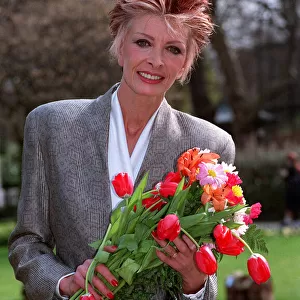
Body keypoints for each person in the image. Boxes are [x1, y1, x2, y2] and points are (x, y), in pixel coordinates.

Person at [8, 1, 235, 299]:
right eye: (143, 43)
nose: (156, 60)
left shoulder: (212, 146)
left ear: (185, 65)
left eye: (173, 49)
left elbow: (208, 274)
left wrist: (195, 282)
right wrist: (64, 282)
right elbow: (27, 243)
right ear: (119, 47)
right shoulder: (50, 125)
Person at [281, 151, 300, 225]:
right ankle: (288, 220)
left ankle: (293, 220)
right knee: (289, 205)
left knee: (295, 205)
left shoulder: (297, 167)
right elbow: (286, 178)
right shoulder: (288, 168)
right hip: (291, 190)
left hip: (297, 189)